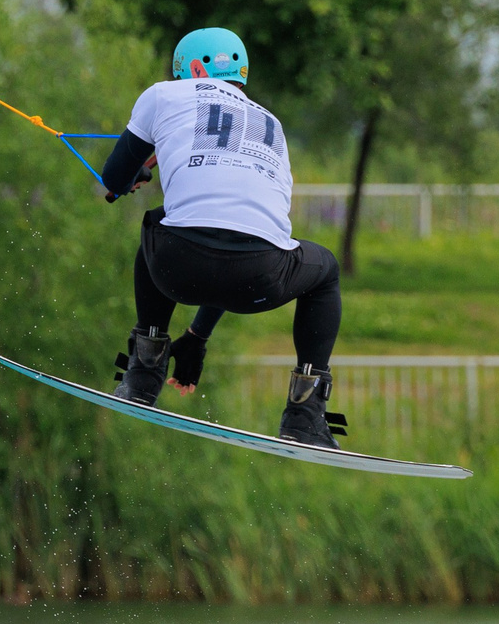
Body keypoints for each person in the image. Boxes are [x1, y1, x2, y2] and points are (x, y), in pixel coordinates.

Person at [95, 27, 345, 449]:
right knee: (326, 270)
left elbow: (114, 179)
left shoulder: (162, 95)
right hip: (261, 280)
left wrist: (134, 175)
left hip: (175, 267)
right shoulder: (271, 123)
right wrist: (197, 336)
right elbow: (235, 232)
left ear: (193, 69)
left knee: (159, 223)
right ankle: (305, 414)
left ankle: (144, 373)